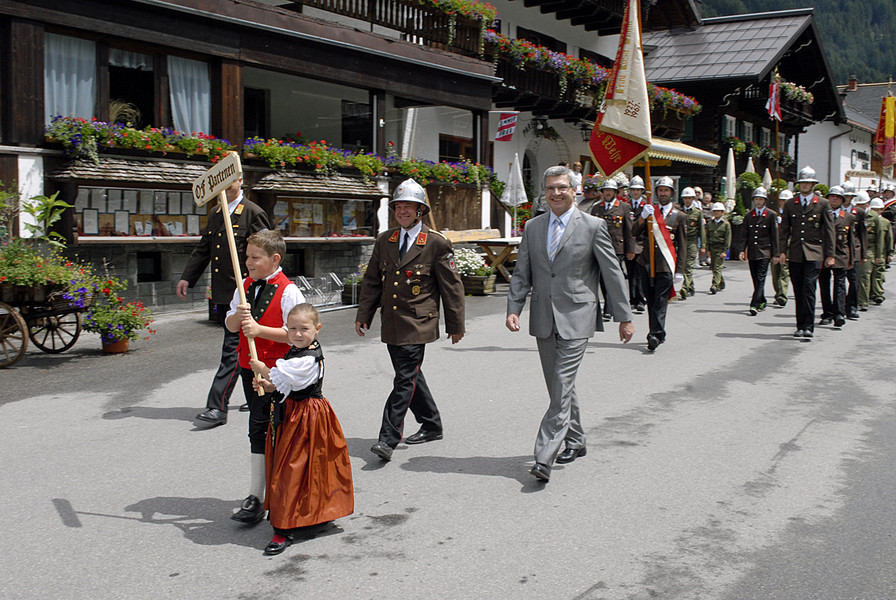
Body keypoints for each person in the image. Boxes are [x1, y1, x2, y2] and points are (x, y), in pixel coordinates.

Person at [506, 165, 634, 482]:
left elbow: (612, 273)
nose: (556, 193)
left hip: (578, 315)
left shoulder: (593, 226)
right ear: (545, 192)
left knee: (561, 383)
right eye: (551, 188)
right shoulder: (533, 227)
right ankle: (576, 439)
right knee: (559, 386)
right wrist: (514, 308)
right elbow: (522, 273)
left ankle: (544, 455)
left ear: (574, 190)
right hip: (543, 316)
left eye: (562, 187)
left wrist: (624, 317)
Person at [355, 179, 465, 462]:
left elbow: (451, 288)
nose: (402, 212)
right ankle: (431, 424)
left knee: (404, 379)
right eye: (399, 207)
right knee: (411, 375)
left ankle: (388, 438)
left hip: (418, 323)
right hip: (392, 322)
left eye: (409, 207)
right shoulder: (386, 240)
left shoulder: (436, 243)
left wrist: (455, 326)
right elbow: (371, 281)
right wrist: (364, 315)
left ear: (420, 211)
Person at [249, 303, 354, 556]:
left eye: (304, 329)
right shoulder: (296, 351)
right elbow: (287, 384)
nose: (297, 334)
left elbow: (284, 376)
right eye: (293, 328)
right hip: (292, 414)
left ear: (317, 329)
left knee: (295, 469)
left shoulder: (308, 357)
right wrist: (268, 385)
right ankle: (304, 516)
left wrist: (263, 370)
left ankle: (284, 528)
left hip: (307, 417)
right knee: (297, 468)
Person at [177, 178, 271, 426]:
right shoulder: (216, 213)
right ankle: (256, 391)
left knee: (233, 349)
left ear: (240, 180)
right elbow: (204, 249)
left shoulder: (252, 212)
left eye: (231, 180)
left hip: (246, 295)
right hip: (223, 293)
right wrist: (187, 277)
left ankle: (217, 407)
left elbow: (267, 253)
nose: (226, 185)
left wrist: (265, 288)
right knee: (245, 347)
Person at [226, 230, 304, 524]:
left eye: (255, 257)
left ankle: (286, 492)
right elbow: (231, 325)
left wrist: (259, 330)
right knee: (257, 428)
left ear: (274, 259)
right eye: (246, 256)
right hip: (250, 368)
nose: (248, 262)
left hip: (279, 373)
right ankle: (255, 495)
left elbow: (297, 334)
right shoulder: (243, 286)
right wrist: (239, 316)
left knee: (282, 431)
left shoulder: (289, 291)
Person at [778, 166, 835, 338]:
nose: (804, 185)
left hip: (814, 252)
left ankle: (808, 326)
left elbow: (829, 230)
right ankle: (800, 325)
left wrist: (830, 254)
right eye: (802, 182)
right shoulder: (791, 204)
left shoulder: (822, 204)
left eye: (808, 183)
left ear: (813, 184)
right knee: (798, 290)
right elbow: (784, 230)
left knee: (809, 288)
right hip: (795, 252)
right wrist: (782, 251)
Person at [631, 176, 686, 351]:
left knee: (661, 300)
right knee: (651, 299)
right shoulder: (649, 211)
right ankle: (658, 332)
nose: (663, 193)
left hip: (665, 264)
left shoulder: (679, 216)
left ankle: (654, 334)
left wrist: (680, 270)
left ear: (671, 193)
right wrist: (642, 217)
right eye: (660, 190)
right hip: (646, 262)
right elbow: (634, 231)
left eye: (666, 190)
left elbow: (682, 245)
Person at [591, 178, 634, 320]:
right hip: (599, 248)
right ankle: (609, 306)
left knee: (613, 277)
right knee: (603, 279)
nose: (608, 193)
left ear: (615, 192)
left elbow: (629, 231)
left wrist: (630, 249)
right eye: (605, 190)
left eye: (610, 190)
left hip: (617, 248)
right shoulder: (596, 208)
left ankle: (609, 309)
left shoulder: (624, 207)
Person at [817, 186, 856, 328]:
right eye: (832, 196)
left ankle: (839, 313)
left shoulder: (849, 217)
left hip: (841, 255)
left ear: (842, 200)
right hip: (823, 254)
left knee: (840, 285)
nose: (834, 199)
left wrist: (852, 259)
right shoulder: (821, 215)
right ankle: (827, 313)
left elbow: (851, 240)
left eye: (838, 197)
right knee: (824, 284)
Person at [738, 187, 779, 315]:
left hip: (765, 251)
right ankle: (762, 299)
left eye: (761, 199)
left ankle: (754, 304)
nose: (758, 202)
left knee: (761, 278)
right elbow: (744, 234)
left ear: (765, 200)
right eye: (756, 199)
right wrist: (742, 250)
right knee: (755, 278)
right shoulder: (749, 215)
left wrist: (776, 254)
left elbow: (774, 236)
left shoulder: (771, 215)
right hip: (753, 251)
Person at [840, 182, 866, 320]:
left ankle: (852, 306)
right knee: (840, 281)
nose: (846, 198)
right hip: (841, 249)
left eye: (849, 196)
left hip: (855, 249)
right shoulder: (835, 210)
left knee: (854, 280)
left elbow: (862, 234)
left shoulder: (859, 212)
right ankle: (841, 306)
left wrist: (863, 254)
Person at [861, 197, 888, 308]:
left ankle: (869, 298)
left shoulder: (877, 219)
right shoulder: (854, 214)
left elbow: (882, 238)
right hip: (857, 249)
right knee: (861, 276)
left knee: (871, 274)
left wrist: (882, 254)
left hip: (871, 250)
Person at [626, 176, 648, 312]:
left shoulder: (645, 206)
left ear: (642, 191)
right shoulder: (626, 205)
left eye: (638, 190)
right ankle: (632, 299)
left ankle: (640, 299)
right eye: (633, 189)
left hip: (641, 244)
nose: (635, 192)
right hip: (629, 244)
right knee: (631, 273)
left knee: (640, 273)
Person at [679, 187, 705, 299]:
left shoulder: (697, 212)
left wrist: (703, 245)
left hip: (692, 241)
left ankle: (684, 288)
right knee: (683, 265)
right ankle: (691, 286)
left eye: (689, 198)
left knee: (689, 264)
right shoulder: (679, 211)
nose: (687, 200)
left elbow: (701, 230)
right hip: (681, 241)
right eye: (685, 198)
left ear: (693, 199)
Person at [770, 189, 793, 306]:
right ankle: (778, 292)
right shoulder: (774, 215)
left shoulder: (793, 215)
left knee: (784, 271)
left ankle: (782, 295)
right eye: (782, 200)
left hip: (786, 247)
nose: (784, 203)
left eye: (786, 201)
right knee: (775, 272)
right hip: (774, 246)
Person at [706, 202, 731, 294]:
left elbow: (728, 238)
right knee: (714, 267)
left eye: (718, 211)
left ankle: (715, 285)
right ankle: (721, 283)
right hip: (712, 247)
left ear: (722, 212)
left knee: (717, 267)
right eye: (715, 211)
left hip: (720, 248)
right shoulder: (710, 224)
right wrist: (707, 249)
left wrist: (725, 251)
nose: (716, 213)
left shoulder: (726, 224)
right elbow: (707, 237)